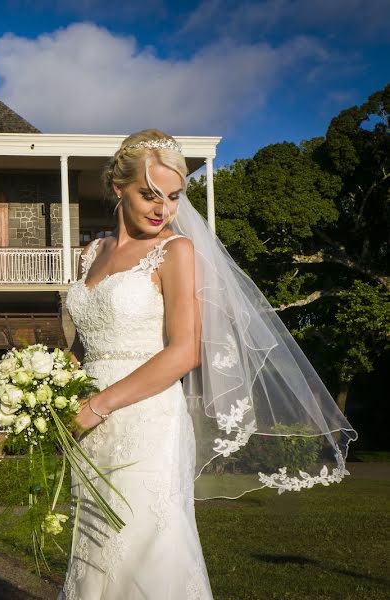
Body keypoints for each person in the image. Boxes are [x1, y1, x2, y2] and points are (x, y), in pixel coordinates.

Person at [59, 129, 356, 600]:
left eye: (173, 197)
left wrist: (97, 405)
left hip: (144, 416)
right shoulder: (91, 254)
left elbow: (184, 351)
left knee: (144, 545)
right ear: (119, 189)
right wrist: (52, 390)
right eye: (149, 194)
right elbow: (87, 344)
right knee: (93, 547)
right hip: (84, 424)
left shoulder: (175, 251)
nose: (162, 209)